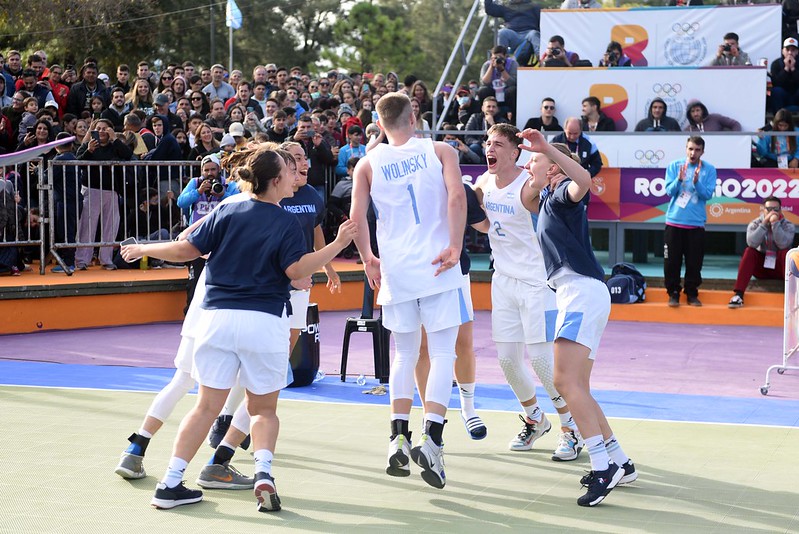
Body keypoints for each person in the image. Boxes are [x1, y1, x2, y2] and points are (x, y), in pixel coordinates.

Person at [119, 145, 357, 512]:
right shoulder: (285, 223)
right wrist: (339, 245)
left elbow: (187, 249)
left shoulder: (227, 209)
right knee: (263, 409)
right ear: (276, 180)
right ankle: (263, 474)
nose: (295, 176)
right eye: (289, 171)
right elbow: (297, 272)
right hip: (263, 322)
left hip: (216, 321)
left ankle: (169, 483)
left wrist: (146, 248)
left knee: (204, 407)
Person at [202, 142, 342, 478]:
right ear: (279, 170)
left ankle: (215, 454)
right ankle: (227, 425)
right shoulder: (251, 206)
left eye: (303, 157)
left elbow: (315, 235)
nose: (300, 162)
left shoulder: (310, 197)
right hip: (267, 294)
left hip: (290, 290)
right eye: (293, 158)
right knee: (258, 378)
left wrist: (329, 268)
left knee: (271, 368)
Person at [350, 92, 466, 489]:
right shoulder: (441, 151)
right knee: (443, 353)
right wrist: (456, 244)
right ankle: (432, 438)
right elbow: (456, 195)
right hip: (437, 265)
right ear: (413, 116)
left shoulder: (367, 163)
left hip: (396, 270)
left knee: (404, 355)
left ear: (378, 123)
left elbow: (355, 217)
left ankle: (397, 434)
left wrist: (368, 257)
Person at [518, 127, 636, 507]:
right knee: (577, 386)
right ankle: (619, 460)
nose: (528, 164)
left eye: (533, 160)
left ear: (554, 168)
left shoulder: (567, 196)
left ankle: (603, 467)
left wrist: (547, 148)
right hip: (577, 295)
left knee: (565, 381)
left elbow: (583, 179)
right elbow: (523, 199)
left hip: (581, 292)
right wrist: (535, 163)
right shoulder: (547, 199)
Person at [474, 123, 584, 461]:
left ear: (514, 152)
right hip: (503, 281)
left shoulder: (530, 184)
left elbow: (562, 176)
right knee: (507, 360)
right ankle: (535, 419)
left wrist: (549, 154)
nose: (489, 148)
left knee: (541, 361)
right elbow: (486, 223)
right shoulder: (482, 183)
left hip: (538, 283)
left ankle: (572, 428)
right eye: (487, 143)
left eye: (498, 144)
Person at [663, 136, 718, 307]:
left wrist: (697, 183)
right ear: (686, 148)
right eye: (690, 149)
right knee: (672, 261)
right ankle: (673, 292)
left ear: (703, 151)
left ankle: (692, 293)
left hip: (695, 224)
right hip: (674, 221)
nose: (693, 153)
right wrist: (679, 180)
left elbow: (707, 194)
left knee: (694, 262)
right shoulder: (674, 166)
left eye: (697, 150)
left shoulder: (709, 169)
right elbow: (668, 191)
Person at [75, 119, 134, 270]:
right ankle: (82, 260)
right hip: (91, 189)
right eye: (98, 128)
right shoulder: (88, 145)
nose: (101, 131)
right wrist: (89, 150)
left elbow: (128, 154)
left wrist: (115, 139)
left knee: (110, 226)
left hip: (112, 190)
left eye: (105, 129)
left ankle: (106, 259)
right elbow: (79, 160)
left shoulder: (115, 146)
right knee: (87, 226)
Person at [729, 196, 796, 308]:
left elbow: (783, 244)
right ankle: (738, 295)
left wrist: (775, 224)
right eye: (769, 209)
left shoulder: (788, 225)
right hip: (762, 268)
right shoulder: (755, 223)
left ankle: (793, 298)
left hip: (780, 268)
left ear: (780, 210)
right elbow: (752, 243)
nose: (772, 212)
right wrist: (764, 224)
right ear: (763, 210)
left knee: (786, 253)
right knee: (749, 251)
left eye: (776, 209)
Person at [484, 0, 542, 65]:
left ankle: (541, 59)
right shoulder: (507, 7)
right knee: (503, 32)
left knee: (534, 34)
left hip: (529, 34)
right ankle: (501, 59)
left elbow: (542, 21)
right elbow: (490, 9)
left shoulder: (534, 6)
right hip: (513, 35)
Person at [478, 46, 518, 117]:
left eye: (500, 57)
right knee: (483, 90)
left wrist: (502, 70)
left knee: (513, 90)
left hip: (506, 92)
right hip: (492, 92)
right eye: (494, 58)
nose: (497, 60)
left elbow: (513, 83)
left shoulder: (513, 64)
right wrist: (491, 67)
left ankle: (513, 118)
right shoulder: (487, 65)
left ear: (505, 56)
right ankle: (484, 116)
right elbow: (484, 82)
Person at [770, 37, 799, 113]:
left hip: (796, 95)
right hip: (783, 95)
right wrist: (786, 69)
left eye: (793, 50)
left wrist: (793, 69)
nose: (790, 53)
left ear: (797, 52)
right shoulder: (776, 64)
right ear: (782, 51)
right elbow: (775, 83)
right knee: (776, 91)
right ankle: (779, 118)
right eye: (787, 50)